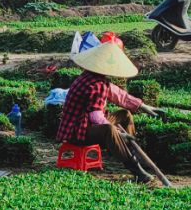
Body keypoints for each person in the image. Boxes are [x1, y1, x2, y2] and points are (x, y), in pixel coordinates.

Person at [52, 35, 157, 183]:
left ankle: (131, 151)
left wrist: (142, 106)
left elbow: (118, 94)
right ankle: (137, 170)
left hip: (85, 124)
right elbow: (96, 117)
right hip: (77, 132)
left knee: (125, 114)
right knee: (109, 130)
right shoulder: (95, 85)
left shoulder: (92, 77)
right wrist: (120, 133)